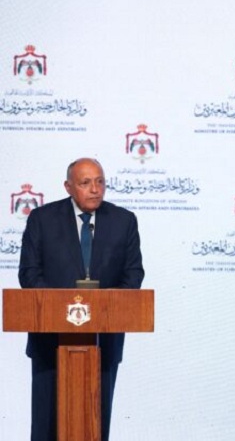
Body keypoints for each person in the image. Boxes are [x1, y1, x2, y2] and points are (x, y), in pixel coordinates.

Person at [18, 158, 145, 441]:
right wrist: (59, 307)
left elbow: (133, 274)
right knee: (47, 425)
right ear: (68, 187)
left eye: (100, 181)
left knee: (95, 423)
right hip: (50, 340)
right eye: (85, 183)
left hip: (103, 341)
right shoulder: (42, 219)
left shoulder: (124, 221)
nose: (95, 189)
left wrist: (107, 306)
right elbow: (29, 274)